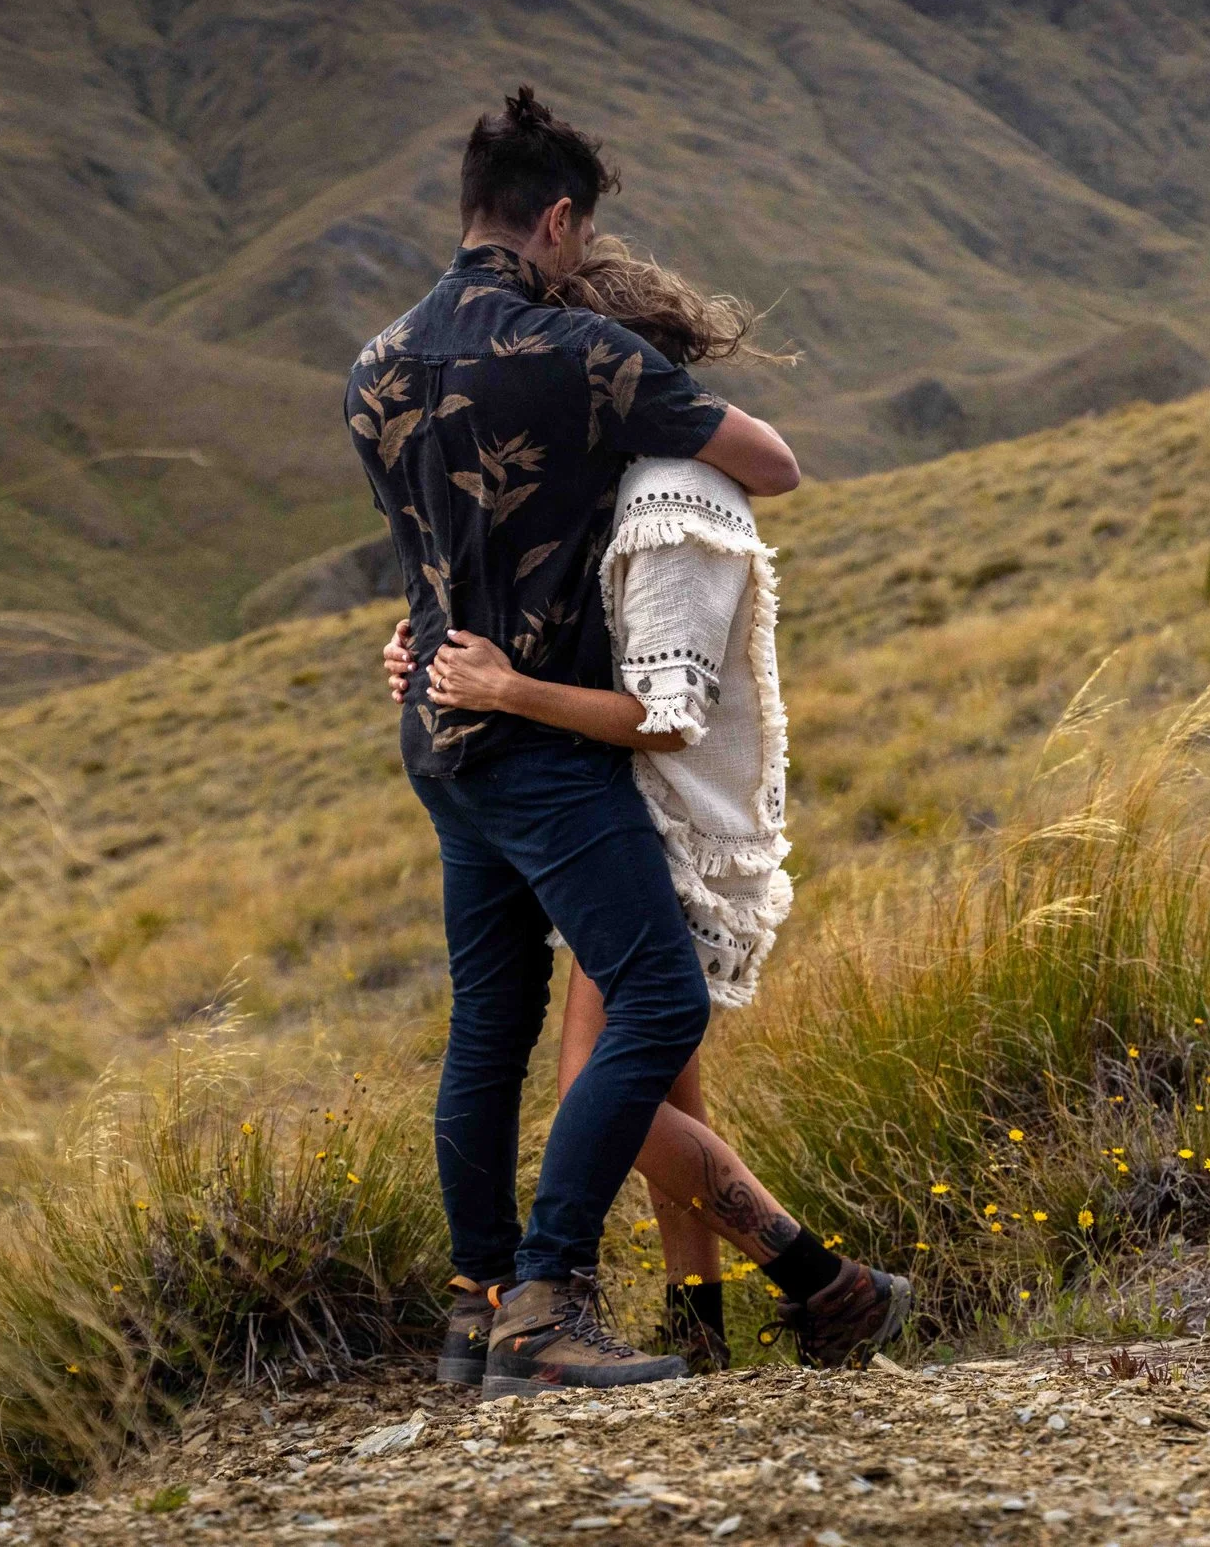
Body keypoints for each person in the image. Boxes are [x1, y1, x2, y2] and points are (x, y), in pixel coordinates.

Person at [346, 87, 906, 1398]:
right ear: (556, 221)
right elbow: (771, 462)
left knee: (488, 1030)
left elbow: (439, 557)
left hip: (440, 741)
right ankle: (551, 1297)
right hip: (547, 749)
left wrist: (423, 647)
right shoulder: (575, 352)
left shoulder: (374, 360)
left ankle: (477, 1312)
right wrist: (648, 407)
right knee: (653, 1003)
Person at [381, 239, 804, 1378]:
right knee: (649, 1055)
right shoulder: (602, 481)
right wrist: (431, 647)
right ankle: (659, 1311)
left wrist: (494, 683)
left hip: (637, 795)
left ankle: (781, 1291)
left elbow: (667, 704)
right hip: (590, 782)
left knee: (588, 1062)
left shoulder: (667, 487)